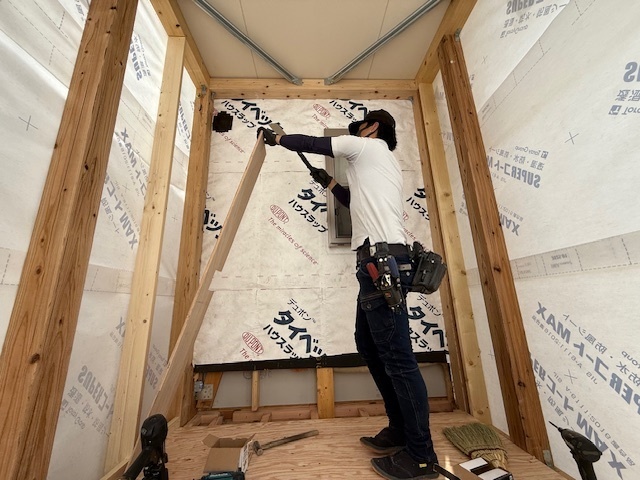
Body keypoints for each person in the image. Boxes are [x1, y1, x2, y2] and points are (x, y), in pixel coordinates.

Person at [257, 109, 439, 480]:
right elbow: (353, 199)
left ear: (373, 128)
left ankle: (421, 456)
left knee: (398, 359)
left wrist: (278, 138)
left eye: (361, 127)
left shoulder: (367, 147)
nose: (355, 132)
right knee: (369, 346)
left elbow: (313, 143)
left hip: (381, 263)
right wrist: (328, 182)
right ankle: (399, 430)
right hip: (378, 264)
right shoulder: (380, 162)